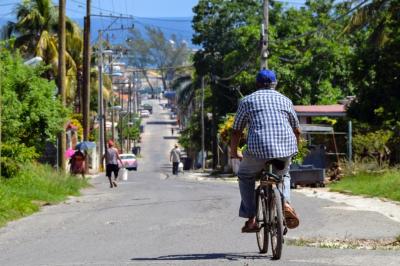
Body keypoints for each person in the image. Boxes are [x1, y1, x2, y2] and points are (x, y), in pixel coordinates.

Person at [230, 69, 301, 233]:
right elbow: (297, 130)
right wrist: (294, 151)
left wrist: (234, 152)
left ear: (257, 84)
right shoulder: (285, 100)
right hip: (285, 149)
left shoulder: (247, 101)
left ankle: (252, 218)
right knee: (284, 175)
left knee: (245, 175)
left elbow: (236, 131)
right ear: (275, 84)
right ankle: (285, 203)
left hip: (257, 150)